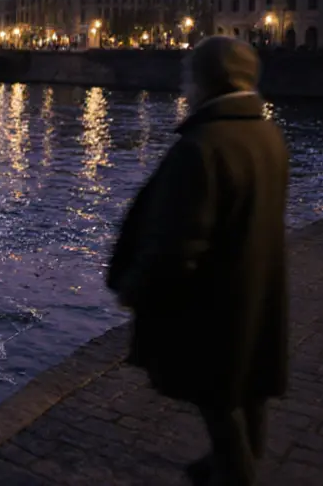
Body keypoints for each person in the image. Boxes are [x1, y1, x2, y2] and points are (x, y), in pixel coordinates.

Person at [106, 36, 289, 486]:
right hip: (256, 287)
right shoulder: (267, 134)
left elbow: (177, 243)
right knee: (247, 387)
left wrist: (136, 289)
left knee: (218, 400)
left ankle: (234, 474)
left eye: (190, 77)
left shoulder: (203, 146)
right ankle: (222, 467)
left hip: (212, 303)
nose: (185, 87)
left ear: (207, 80)